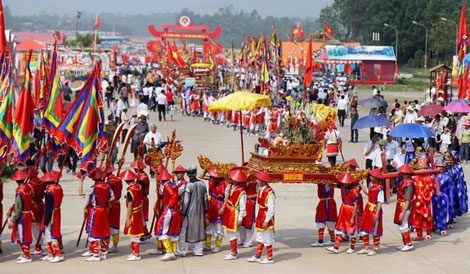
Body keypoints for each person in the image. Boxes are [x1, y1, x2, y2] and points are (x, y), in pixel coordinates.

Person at [83, 168, 115, 262]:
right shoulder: (107, 186)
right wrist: (106, 201)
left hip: (96, 210)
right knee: (104, 230)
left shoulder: (93, 188)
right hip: (104, 209)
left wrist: (81, 182)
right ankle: (103, 252)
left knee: (94, 231)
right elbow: (113, 197)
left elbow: (82, 193)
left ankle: (96, 254)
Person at [178, 166, 208, 257]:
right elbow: (206, 199)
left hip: (190, 212)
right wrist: (206, 210)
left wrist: (183, 212)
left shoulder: (188, 185)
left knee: (185, 232)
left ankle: (182, 250)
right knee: (200, 229)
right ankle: (199, 250)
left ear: (187, 174)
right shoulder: (202, 184)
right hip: (201, 211)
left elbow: (186, 201)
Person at [326, 173, 359, 254]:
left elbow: (355, 206)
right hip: (343, 209)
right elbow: (333, 186)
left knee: (352, 229)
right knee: (340, 227)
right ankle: (336, 247)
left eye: (346, 182)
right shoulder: (342, 187)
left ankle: (352, 247)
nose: (344, 183)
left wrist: (352, 218)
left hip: (351, 211)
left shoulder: (354, 191)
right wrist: (329, 182)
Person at [154, 168, 183, 261]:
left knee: (163, 230)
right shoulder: (173, 184)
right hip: (175, 210)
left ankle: (169, 252)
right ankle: (173, 252)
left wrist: (170, 205)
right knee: (173, 231)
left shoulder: (166, 186)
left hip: (170, 210)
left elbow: (174, 196)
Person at [247, 172, 276, 264]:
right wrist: (256, 216)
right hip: (260, 215)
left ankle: (270, 258)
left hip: (266, 215)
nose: (256, 181)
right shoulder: (260, 190)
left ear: (263, 181)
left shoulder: (269, 193)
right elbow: (258, 204)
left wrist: (266, 220)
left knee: (267, 236)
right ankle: (258, 256)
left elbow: (271, 209)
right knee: (259, 236)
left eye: (258, 180)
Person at [220, 168, 247, 260]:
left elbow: (243, 207)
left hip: (234, 213)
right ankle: (233, 251)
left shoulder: (241, 192)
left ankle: (233, 252)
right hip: (228, 211)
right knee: (229, 233)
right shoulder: (230, 187)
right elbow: (226, 198)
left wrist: (240, 218)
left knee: (233, 233)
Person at [8, 169, 34, 263]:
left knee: (23, 235)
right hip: (27, 213)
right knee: (22, 234)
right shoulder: (28, 187)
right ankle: (25, 252)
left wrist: (12, 220)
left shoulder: (20, 191)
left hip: (22, 215)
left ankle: (27, 256)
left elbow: (18, 207)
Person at [357, 168, 384, 256]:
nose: (370, 177)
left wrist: (377, 213)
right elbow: (368, 193)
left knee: (375, 230)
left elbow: (380, 202)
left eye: (372, 176)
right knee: (364, 227)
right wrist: (361, 184)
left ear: (376, 177)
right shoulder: (370, 184)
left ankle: (375, 248)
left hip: (375, 209)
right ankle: (366, 247)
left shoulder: (380, 188)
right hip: (368, 208)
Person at [39, 171, 64, 263]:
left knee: (50, 232)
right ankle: (50, 253)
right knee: (49, 232)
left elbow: (49, 207)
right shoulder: (58, 187)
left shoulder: (49, 191)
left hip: (52, 213)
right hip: (57, 210)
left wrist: (45, 221)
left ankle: (58, 254)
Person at [200, 167, 227, 253]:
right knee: (209, 225)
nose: (214, 178)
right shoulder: (211, 179)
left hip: (219, 204)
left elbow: (227, 197)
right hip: (211, 203)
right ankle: (207, 245)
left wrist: (223, 208)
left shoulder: (225, 184)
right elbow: (201, 176)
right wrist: (205, 169)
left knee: (219, 227)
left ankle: (217, 245)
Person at [120, 169, 145, 261]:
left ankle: (136, 254)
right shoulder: (138, 186)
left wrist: (128, 218)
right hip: (138, 211)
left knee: (133, 234)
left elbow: (130, 205)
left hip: (134, 213)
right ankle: (134, 252)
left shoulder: (130, 190)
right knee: (135, 233)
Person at [411, 160, 434, 241]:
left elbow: (431, 189)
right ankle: (419, 234)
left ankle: (429, 233)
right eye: (420, 168)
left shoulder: (430, 178)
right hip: (417, 201)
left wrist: (424, 197)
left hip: (426, 200)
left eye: (423, 168)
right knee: (417, 218)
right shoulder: (415, 178)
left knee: (428, 216)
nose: (422, 170)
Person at [394, 164, 415, 252]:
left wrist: (403, 212)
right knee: (401, 225)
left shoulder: (409, 184)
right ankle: (405, 243)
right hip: (400, 204)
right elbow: (395, 186)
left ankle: (409, 243)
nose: (400, 173)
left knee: (404, 225)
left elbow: (408, 200)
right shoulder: (403, 181)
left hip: (404, 206)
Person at [311, 182, 337, 247]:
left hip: (326, 203)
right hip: (327, 203)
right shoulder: (329, 182)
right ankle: (330, 240)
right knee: (325, 222)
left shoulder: (325, 182)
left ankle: (322, 241)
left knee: (325, 221)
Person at [432, 156, 453, 236]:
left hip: (443, 196)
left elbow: (450, 189)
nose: (440, 169)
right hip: (434, 196)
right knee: (434, 211)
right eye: (438, 167)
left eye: (441, 167)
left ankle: (442, 227)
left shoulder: (447, 177)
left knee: (442, 211)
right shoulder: (432, 176)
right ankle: (434, 225)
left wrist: (450, 199)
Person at [105, 167, 122, 253]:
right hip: (117, 203)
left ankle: (107, 245)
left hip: (111, 204)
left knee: (109, 225)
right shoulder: (118, 179)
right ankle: (114, 245)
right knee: (115, 224)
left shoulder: (109, 182)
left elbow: (111, 194)